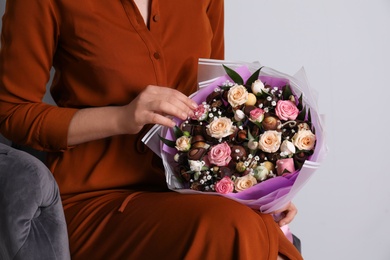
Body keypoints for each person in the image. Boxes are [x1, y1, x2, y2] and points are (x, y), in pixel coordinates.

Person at [0, 0, 303, 259]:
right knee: (236, 230)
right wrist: (121, 117)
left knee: (267, 241)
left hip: (192, 194)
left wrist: (257, 184)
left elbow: (213, 104)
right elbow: (10, 111)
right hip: (94, 200)